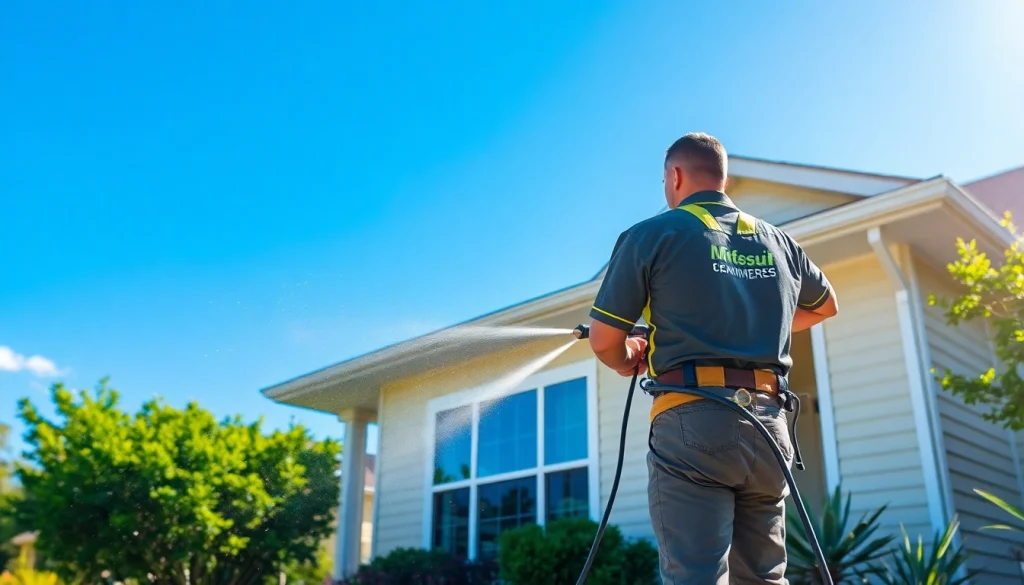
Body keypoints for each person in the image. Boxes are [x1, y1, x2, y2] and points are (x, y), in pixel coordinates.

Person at [586, 132, 839, 584]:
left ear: (676, 176)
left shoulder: (652, 234)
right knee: (763, 578)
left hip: (693, 422)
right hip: (770, 427)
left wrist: (631, 356)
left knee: (696, 576)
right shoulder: (779, 242)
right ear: (722, 178)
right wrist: (767, 326)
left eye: (665, 180)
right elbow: (826, 305)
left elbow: (605, 340)